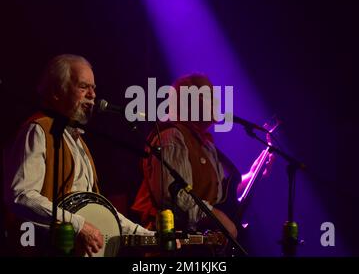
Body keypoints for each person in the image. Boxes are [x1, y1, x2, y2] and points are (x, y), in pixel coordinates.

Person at [3, 54, 154, 257]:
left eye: (94, 88)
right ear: (57, 92)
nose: (92, 95)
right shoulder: (39, 130)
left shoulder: (78, 142)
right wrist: (79, 225)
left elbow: (99, 210)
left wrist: (146, 235)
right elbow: (20, 196)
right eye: (83, 87)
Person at [132, 74, 240, 244]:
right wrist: (215, 217)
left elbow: (216, 196)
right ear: (190, 102)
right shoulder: (171, 136)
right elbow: (172, 195)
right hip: (170, 247)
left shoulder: (206, 144)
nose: (217, 103)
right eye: (210, 97)